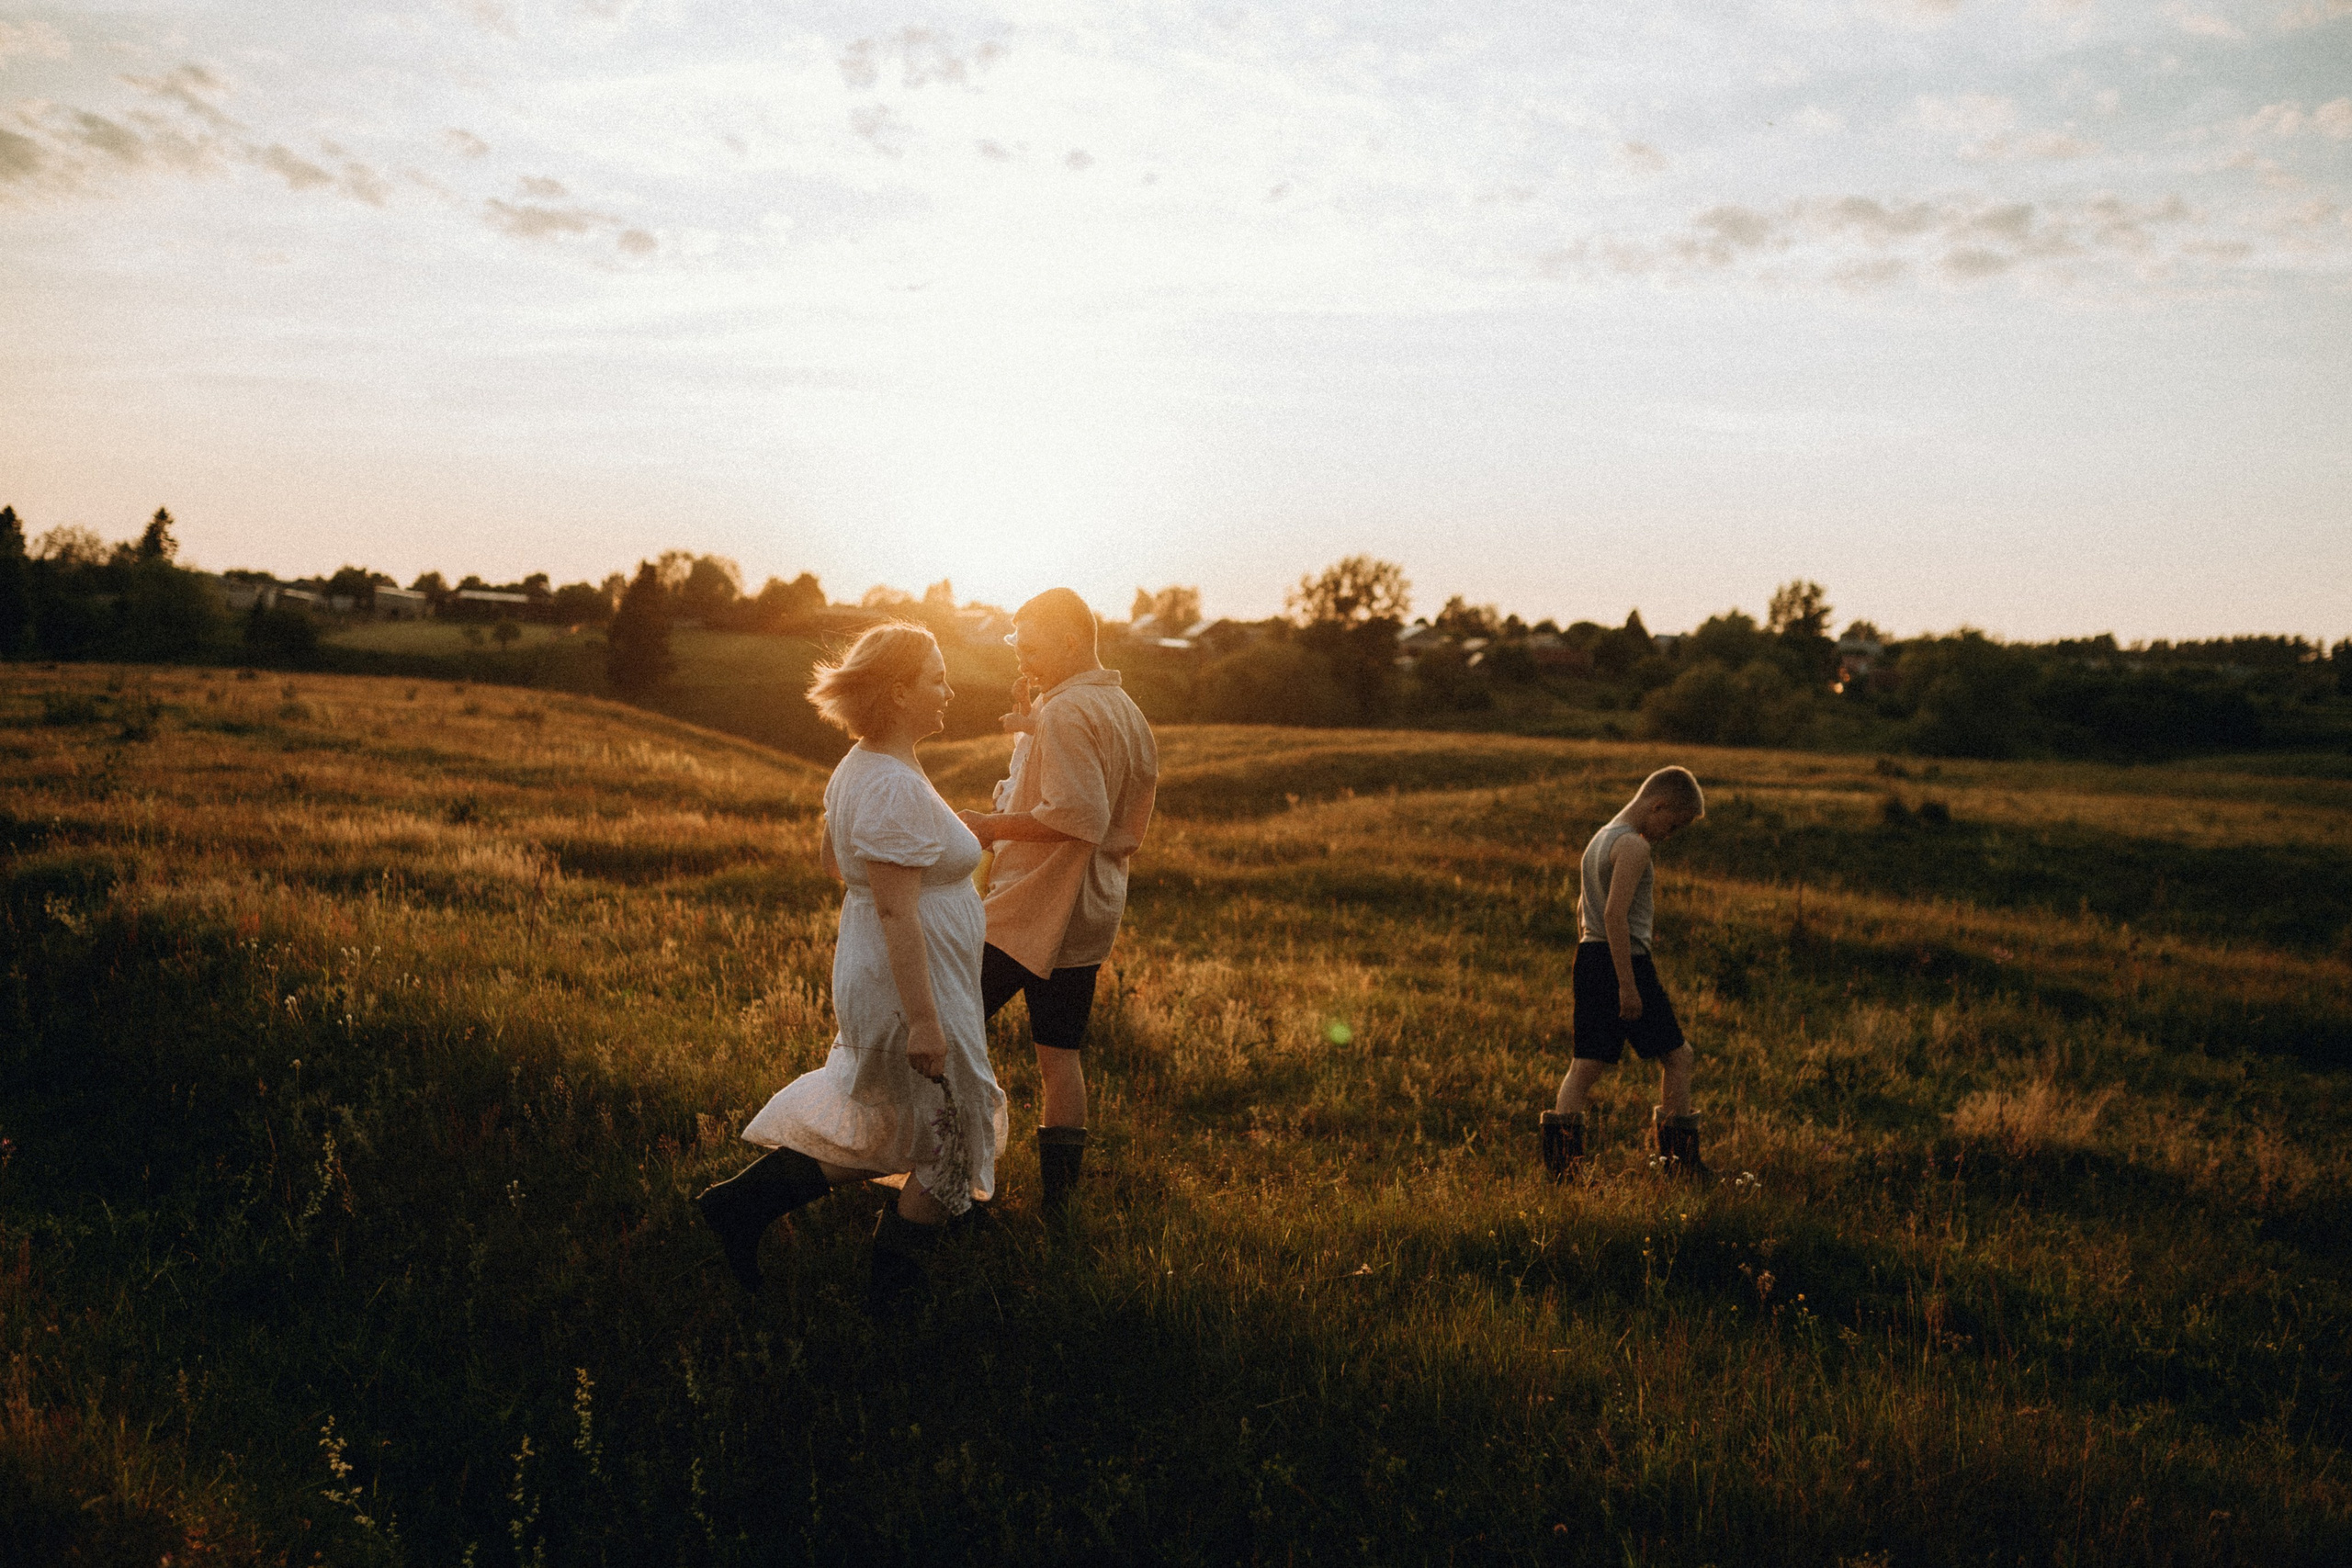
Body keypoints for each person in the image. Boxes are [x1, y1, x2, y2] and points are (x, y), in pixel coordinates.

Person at [695, 623, 1009, 1305]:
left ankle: (741, 1206)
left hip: (892, 970)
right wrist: (925, 1020)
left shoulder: (867, 766)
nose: (950, 689)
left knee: (898, 1117)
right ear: (899, 692)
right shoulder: (891, 782)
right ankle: (894, 1304)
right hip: (911, 985)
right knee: (951, 1132)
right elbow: (896, 909)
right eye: (937, 678)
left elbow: (837, 863)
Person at [956, 588, 1157, 1216]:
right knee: (1059, 1056)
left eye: (1032, 643)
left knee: (940, 1028)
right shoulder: (1124, 708)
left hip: (1028, 913)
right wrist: (1028, 728)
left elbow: (1079, 814)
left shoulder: (1068, 712)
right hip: (1089, 914)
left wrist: (990, 827)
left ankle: (938, 1186)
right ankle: (1059, 1211)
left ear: (1072, 640)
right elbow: (1124, 819)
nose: (1021, 656)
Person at [1540, 766, 1710, 1182]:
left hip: (1591, 955)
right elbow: (1616, 915)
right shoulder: (1633, 846)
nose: (1670, 834)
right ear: (1659, 804)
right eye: (1674, 824)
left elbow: (1584, 912)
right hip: (1625, 961)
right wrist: (1628, 986)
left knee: (1584, 1066)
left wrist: (1591, 962)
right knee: (1678, 1056)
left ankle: (1563, 1174)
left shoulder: (1598, 840)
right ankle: (1679, 1167)